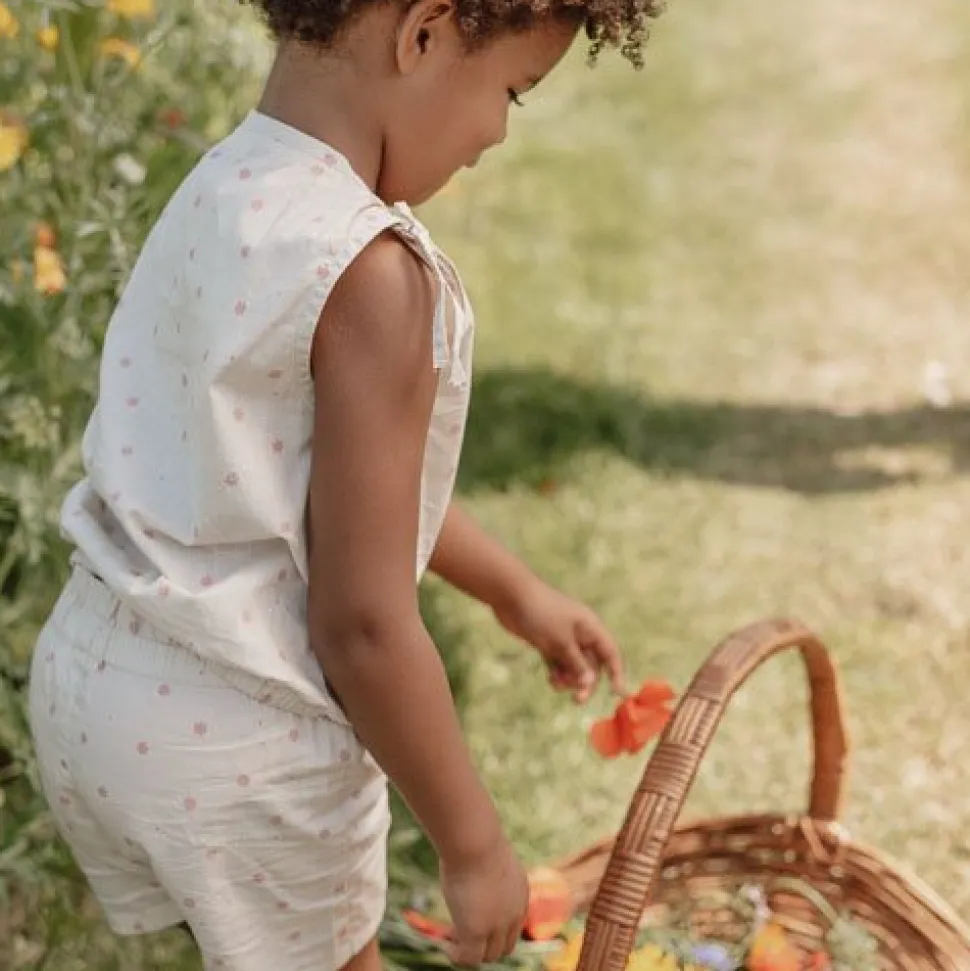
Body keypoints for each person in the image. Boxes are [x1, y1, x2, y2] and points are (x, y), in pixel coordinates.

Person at [28, 0, 663, 967]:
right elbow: (361, 626)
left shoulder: (223, 182)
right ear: (423, 33)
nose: (495, 131)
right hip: (241, 744)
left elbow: (303, 482)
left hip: (97, 689)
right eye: (512, 93)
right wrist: (474, 841)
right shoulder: (372, 275)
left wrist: (510, 588)